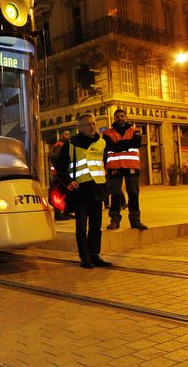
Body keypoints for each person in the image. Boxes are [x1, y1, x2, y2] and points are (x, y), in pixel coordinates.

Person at [54, 113, 111, 269]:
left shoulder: (101, 143)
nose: (92, 127)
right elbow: (60, 167)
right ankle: (85, 257)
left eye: (93, 124)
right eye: (88, 124)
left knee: (96, 226)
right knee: (81, 227)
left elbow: (103, 164)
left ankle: (95, 255)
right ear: (79, 128)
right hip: (79, 191)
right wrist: (68, 181)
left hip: (97, 189)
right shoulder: (71, 145)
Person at [102, 109, 148, 230]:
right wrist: (128, 143)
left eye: (122, 116)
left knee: (133, 194)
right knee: (115, 195)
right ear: (114, 118)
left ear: (126, 117)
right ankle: (114, 220)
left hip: (131, 166)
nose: (120, 118)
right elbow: (110, 146)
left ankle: (135, 220)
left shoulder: (135, 130)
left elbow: (137, 143)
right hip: (114, 167)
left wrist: (119, 144)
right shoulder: (107, 133)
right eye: (117, 116)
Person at [50, 130, 72, 220]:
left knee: (64, 193)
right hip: (58, 174)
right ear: (61, 136)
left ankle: (65, 212)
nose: (68, 136)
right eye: (66, 134)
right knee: (58, 193)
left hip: (62, 173)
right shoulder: (59, 145)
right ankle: (58, 213)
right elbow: (55, 159)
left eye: (69, 134)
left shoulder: (65, 146)